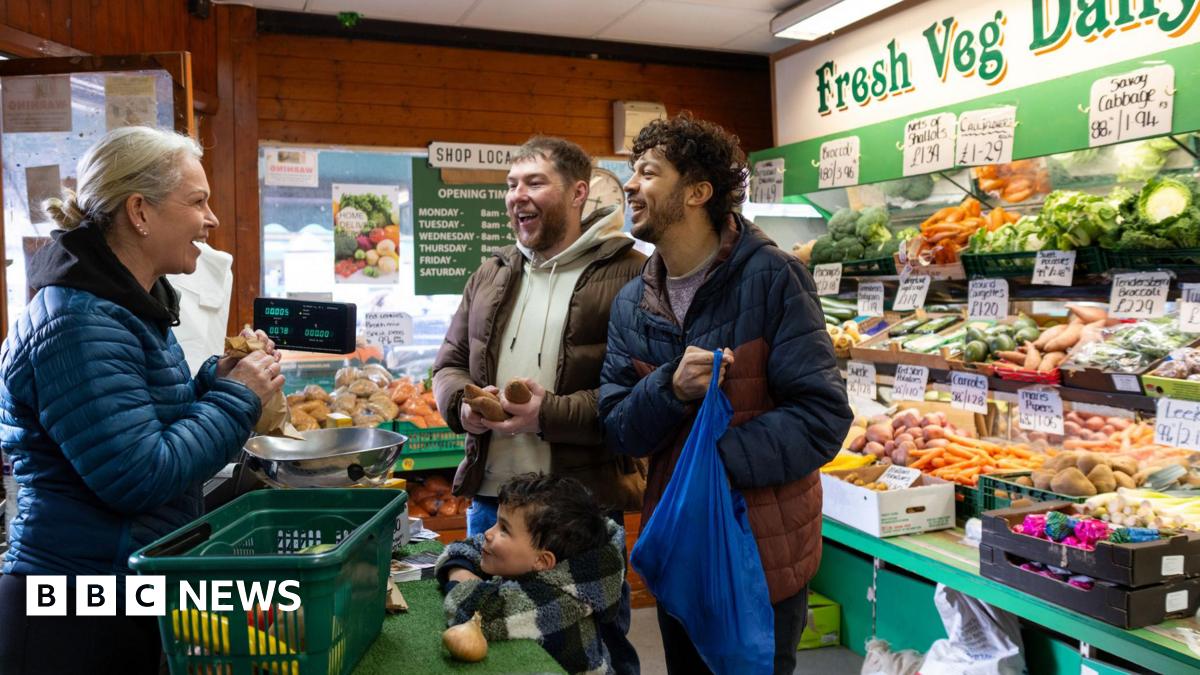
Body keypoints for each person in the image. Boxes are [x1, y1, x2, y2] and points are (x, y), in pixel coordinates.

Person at [0, 126, 282, 675]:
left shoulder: (126, 308)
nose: (211, 219)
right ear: (139, 212)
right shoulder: (78, 323)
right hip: (71, 607)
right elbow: (137, 474)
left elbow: (147, 426)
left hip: (116, 588)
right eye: (197, 202)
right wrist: (237, 397)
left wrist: (217, 380)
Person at [598, 113, 854, 675]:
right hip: (679, 548)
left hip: (760, 555)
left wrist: (711, 463)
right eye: (632, 172)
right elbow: (618, 427)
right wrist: (668, 388)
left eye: (648, 172)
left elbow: (822, 416)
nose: (630, 186)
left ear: (698, 192)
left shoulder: (774, 278)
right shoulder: (632, 303)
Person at [432, 136, 646, 537]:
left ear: (577, 193)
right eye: (512, 184)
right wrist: (461, 405)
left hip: (582, 505)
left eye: (534, 182)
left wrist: (546, 414)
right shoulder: (490, 273)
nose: (518, 195)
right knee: (479, 584)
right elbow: (449, 364)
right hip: (492, 501)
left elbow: (638, 391)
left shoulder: (630, 273)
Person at [435, 473, 637, 675]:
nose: (488, 533)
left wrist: (460, 574)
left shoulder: (559, 601)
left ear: (542, 561)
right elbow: (463, 548)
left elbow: (474, 613)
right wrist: (463, 571)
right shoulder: (546, 565)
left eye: (504, 529)